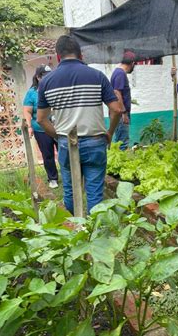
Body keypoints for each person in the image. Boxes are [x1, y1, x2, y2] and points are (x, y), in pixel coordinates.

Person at [37, 35, 122, 214]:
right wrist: (110, 133)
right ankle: (94, 234)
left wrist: (58, 136)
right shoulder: (97, 76)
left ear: (58, 56)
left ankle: (74, 231)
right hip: (95, 141)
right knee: (95, 195)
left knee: (70, 193)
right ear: (81, 55)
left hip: (66, 143)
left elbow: (41, 119)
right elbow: (116, 109)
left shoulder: (46, 82)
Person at [22, 65, 59, 188]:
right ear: (38, 77)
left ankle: (69, 175)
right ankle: (52, 178)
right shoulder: (32, 93)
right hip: (41, 129)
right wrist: (29, 126)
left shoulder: (55, 88)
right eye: (45, 76)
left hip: (59, 127)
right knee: (47, 154)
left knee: (64, 152)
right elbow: (27, 111)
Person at [111, 51, 136, 150]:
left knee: (119, 142)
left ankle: (118, 163)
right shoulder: (120, 73)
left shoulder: (117, 72)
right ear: (132, 63)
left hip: (118, 114)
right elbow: (117, 92)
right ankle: (122, 164)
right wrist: (124, 113)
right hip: (120, 115)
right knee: (123, 143)